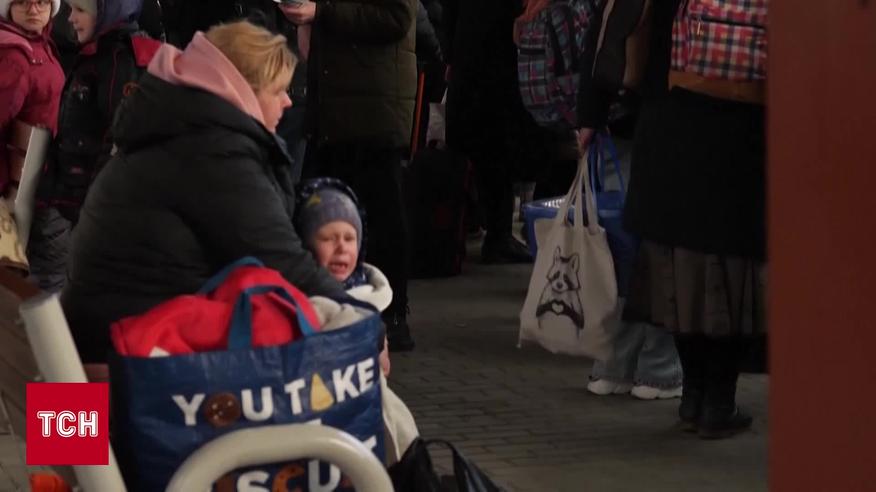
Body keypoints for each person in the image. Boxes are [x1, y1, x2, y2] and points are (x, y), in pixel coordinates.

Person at [61, 20, 348, 363]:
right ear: (244, 91)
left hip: (101, 343)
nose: (287, 102)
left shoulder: (184, 128)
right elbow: (282, 263)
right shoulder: (213, 150)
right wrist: (361, 321)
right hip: (131, 362)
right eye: (277, 90)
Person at [577, 0, 767, 438]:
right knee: (731, 268)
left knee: (676, 268)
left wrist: (591, 112)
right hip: (743, 129)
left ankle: (693, 397)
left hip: (669, 120)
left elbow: (613, 19)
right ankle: (718, 401)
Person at [279, 0, 418, 352]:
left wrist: (321, 12)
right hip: (334, 107)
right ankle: (337, 310)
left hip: (374, 110)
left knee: (382, 214)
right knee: (324, 215)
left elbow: (395, 17)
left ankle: (392, 315)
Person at [27, 0, 159, 292]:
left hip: (84, 207)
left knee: (54, 289)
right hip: (67, 199)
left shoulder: (123, 62)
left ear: (108, 12)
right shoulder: (96, 54)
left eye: (80, 10)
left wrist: (92, 208)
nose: (70, 18)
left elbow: (118, 143)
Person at [443, 0, 539, 264]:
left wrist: (450, 54)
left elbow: (450, 10)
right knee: (497, 153)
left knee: (470, 152)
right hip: (497, 62)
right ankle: (498, 236)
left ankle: (457, 230)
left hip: (467, 59)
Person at [295, 177, 392, 375]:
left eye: (349, 238)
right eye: (328, 238)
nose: (341, 247)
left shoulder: (371, 295)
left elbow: (383, 370)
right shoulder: (295, 299)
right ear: (306, 246)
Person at [0, 0, 64, 273]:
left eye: (41, 2)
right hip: (21, 187)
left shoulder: (39, 42)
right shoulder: (16, 55)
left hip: (38, 180)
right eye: (23, 2)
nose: (34, 10)